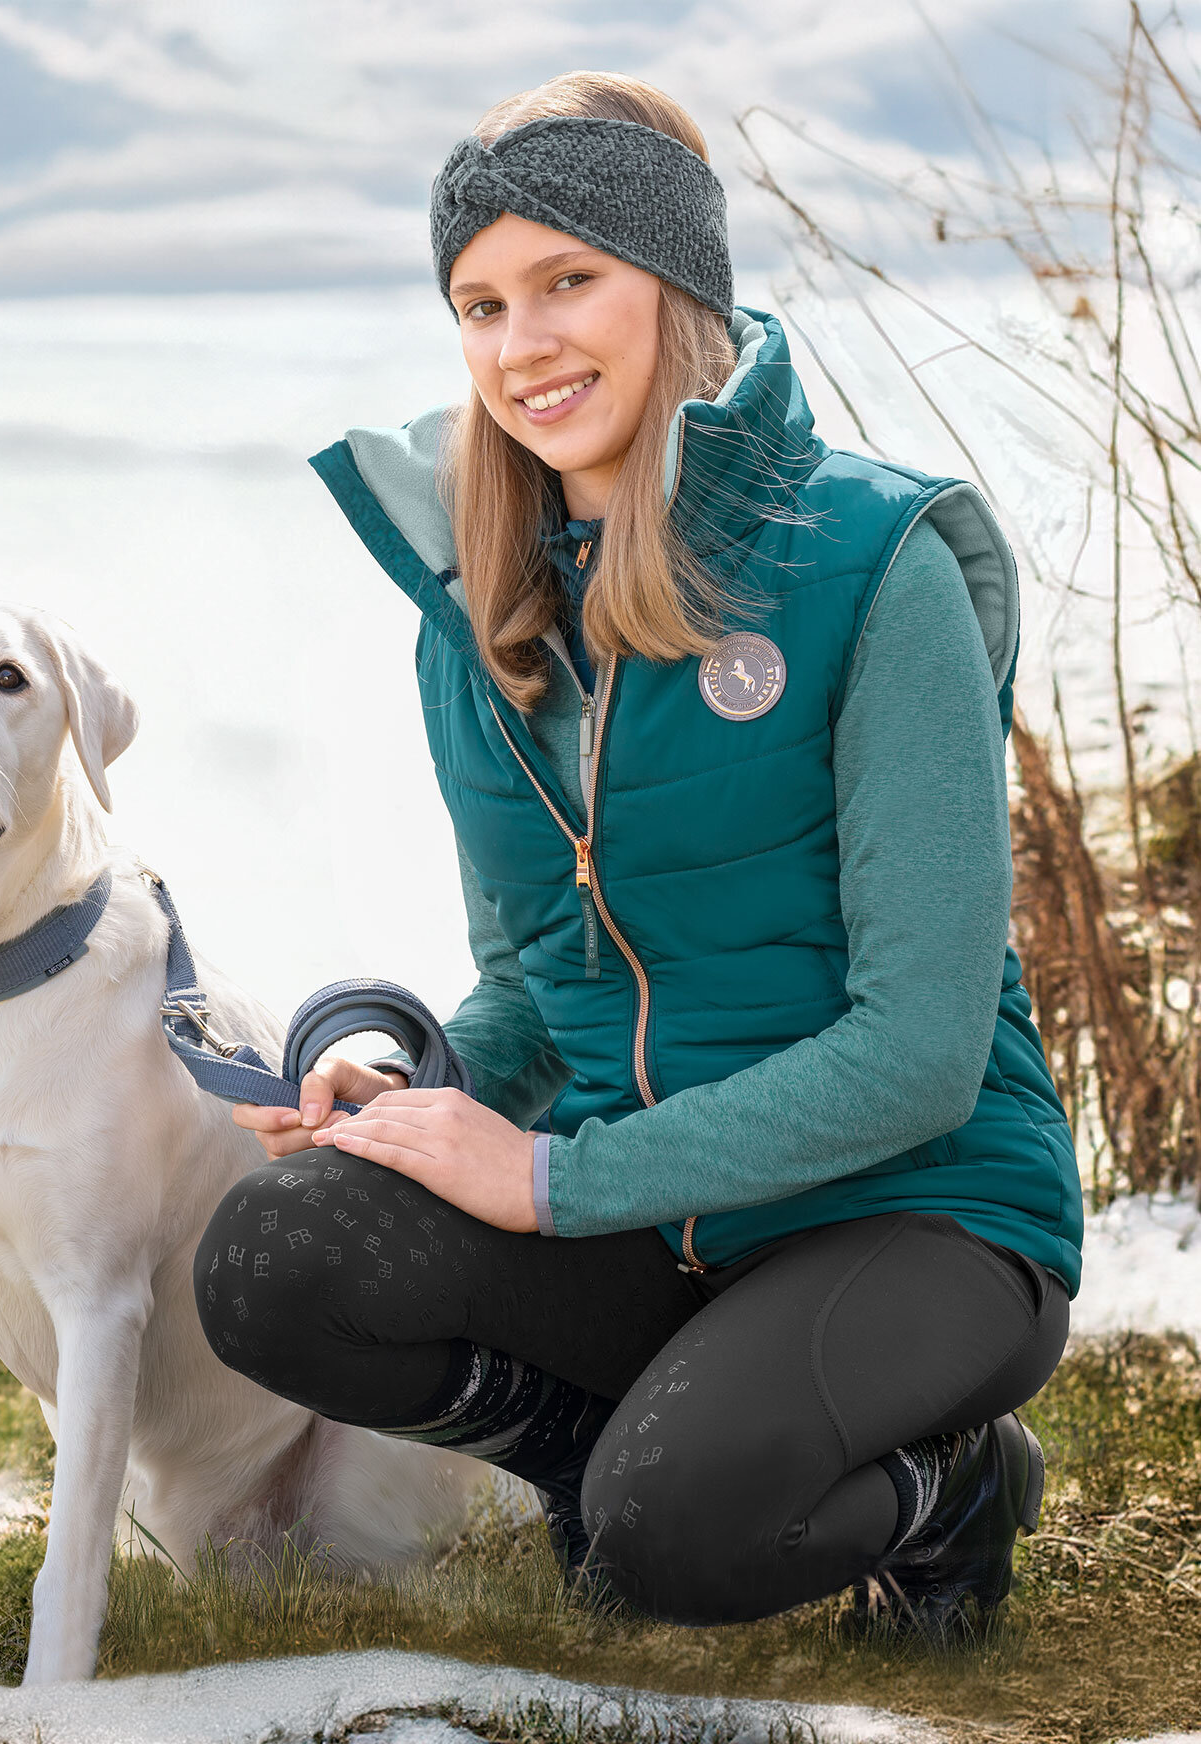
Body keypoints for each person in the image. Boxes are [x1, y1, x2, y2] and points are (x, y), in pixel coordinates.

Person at [192, 71, 1080, 1636]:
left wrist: (547, 1176)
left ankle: (956, 1490)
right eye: (477, 305)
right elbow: (539, 990)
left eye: (567, 282)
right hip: (642, 1218)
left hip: (919, 1214)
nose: (520, 345)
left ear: (675, 288)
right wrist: (426, 1100)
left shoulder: (874, 569)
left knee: (678, 1541)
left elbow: (921, 1052)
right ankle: (602, 1466)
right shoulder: (477, 618)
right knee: (280, 1258)